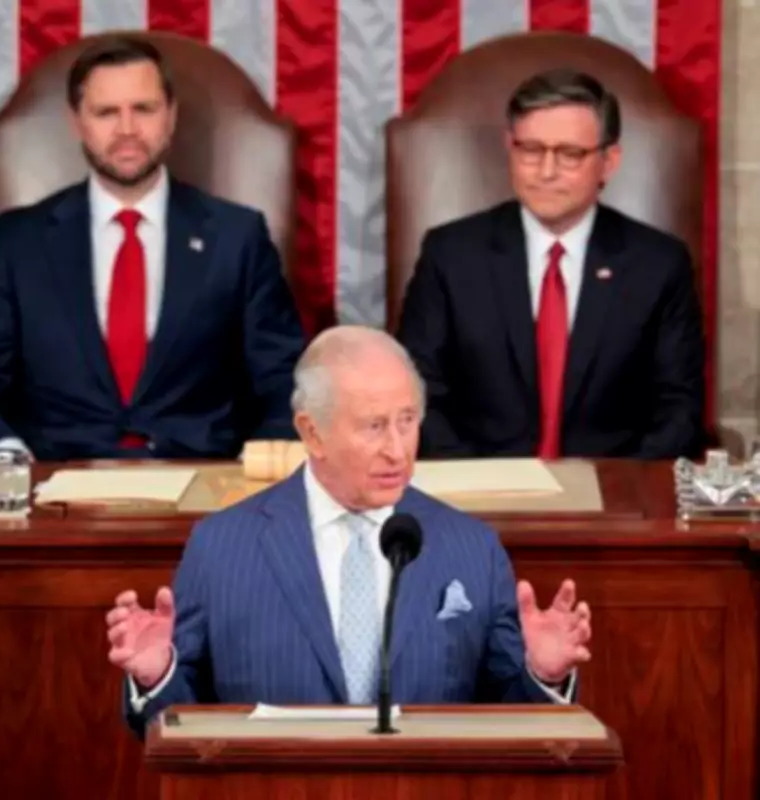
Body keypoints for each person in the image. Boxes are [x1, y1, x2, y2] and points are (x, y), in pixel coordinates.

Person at [106, 326, 592, 740]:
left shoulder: (471, 547)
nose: (397, 451)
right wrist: (157, 677)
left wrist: (543, 674)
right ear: (312, 432)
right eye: (374, 426)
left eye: (407, 421)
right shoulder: (222, 547)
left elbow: (509, 721)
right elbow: (180, 729)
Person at [0, 35, 304, 460]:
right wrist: (7, 454)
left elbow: (284, 378)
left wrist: (262, 460)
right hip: (54, 486)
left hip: (202, 483)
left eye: (143, 109)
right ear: (77, 122)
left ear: (171, 116)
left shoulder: (237, 237)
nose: (126, 129)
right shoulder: (20, 241)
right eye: (106, 112)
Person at [396, 68, 705, 460]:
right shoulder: (451, 254)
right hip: (478, 489)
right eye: (531, 150)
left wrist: (621, 492)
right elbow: (416, 393)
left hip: (613, 498)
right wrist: (478, 486)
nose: (546, 171)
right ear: (510, 148)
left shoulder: (659, 264)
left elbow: (679, 411)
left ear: (609, 161)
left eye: (570, 154)